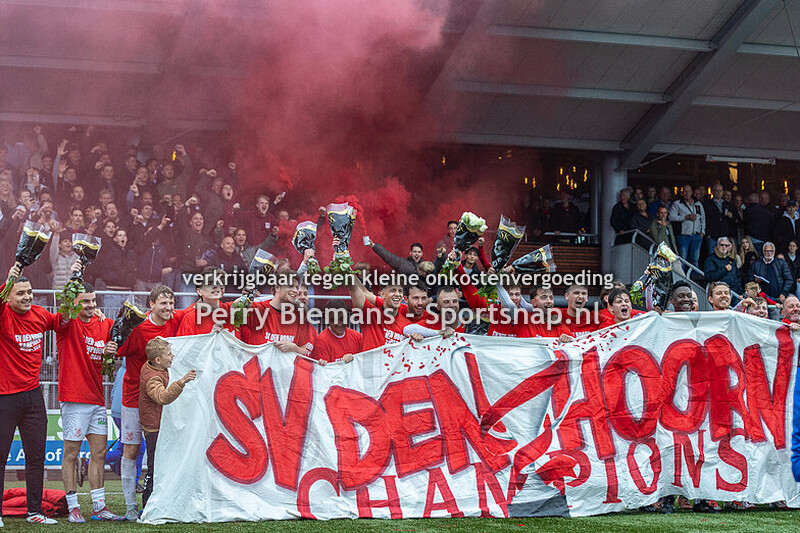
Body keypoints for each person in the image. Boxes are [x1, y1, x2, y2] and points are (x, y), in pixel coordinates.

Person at [0, 264, 82, 525]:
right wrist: (9, 279)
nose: (27, 297)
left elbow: (63, 321)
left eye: (30, 292)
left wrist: (72, 287)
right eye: (20, 293)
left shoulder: (39, 313)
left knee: (36, 457)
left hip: (33, 396)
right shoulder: (3, 315)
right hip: (5, 396)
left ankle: (35, 512)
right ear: (9, 296)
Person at [116, 285, 190, 521]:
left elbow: (195, 312)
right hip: (132, 397)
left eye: (171, 303)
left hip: (162, 400)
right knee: (132, 449)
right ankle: (129, 507)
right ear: (151, 305)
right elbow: (118, 349)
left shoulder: (175, 319)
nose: (168, 308)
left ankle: (159, 501)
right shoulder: (139, 328)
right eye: (163, 304)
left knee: (161, 449)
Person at [54, 283, 123, 522]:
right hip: (73, 398)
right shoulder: (68, 323)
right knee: (71, 453)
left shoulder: (104, 324)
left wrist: (113, 349)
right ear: (74, 302)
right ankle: (73, 506)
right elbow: (62, 311)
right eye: (85, 301)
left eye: (93, 300)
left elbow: (122, 339)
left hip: (96, 399)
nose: (91, 305)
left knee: (100, 453)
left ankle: (99, 506)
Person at [139, 337, 196, 508]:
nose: (173, 356)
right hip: (154, 428)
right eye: (169, 354)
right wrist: (182, 381)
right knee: (154, 467)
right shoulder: (152, 378)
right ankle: (147, 506)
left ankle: (161, 501)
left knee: (162, 465)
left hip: (159, 425)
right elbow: (162, 397)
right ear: (158, 360)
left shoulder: (154, 366)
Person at [241, 271, 317, 355]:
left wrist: (295, 348)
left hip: (287, 368)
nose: (295, 290)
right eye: (290, 286)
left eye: (296, 287)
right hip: (259, 367)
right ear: (277, 288)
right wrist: (242, 300)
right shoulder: (256, 309)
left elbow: (305, 351)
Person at [311, 300, 362, 364]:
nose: (339, 324)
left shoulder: (358, 337)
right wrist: (342, 363)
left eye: (342, 318)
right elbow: (326, 370)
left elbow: (364, 361)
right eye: (334, 320)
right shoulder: (321, 341)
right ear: (327, 319)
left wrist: (353, 358)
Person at [669, 184, 706, 268]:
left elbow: (703, 219)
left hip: (697, 236)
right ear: (682, 193)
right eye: (685, 191)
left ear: (692, 192)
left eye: (688, 191)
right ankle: (682, 279)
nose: (687, 193)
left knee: (695, 259)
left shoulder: (698, 203)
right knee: (683, 259)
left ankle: (694, 279)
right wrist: (685, 217)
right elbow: (671, 217)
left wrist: (702, 232)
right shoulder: (677, 203)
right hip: (683, 236)